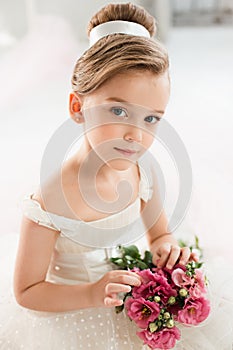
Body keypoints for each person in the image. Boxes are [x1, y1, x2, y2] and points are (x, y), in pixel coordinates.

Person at [0, 3, 232, 350]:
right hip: (75, 314)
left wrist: (166, 250)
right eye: (118, 111)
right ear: (78, 107)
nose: (135, 136)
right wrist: (92, 293)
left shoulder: (144, 169)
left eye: (151, 119)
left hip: (136, 301)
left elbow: (160, 234)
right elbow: (27, 291)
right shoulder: (50, 200)